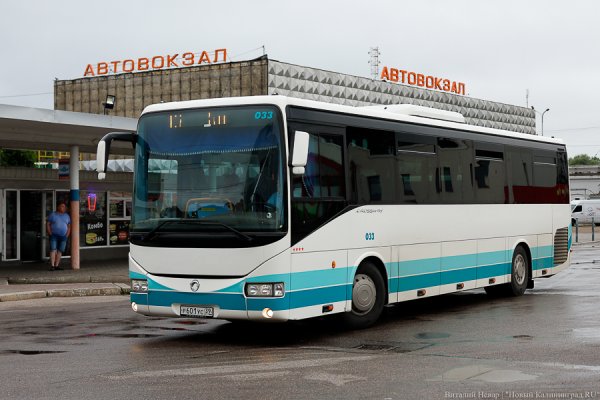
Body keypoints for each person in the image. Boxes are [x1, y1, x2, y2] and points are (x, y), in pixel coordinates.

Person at [46, 202, 71, 270]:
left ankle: (56, 265)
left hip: (63, 236)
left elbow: (69, 226)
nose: (64, 208)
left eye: (64, 206)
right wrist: (50, 233)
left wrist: (67, 235)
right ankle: (52, 266)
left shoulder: (67, 216)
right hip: (54, 235)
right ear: (58, 207)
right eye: (62, 206)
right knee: (53, 249)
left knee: (60, 250)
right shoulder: (53, 215)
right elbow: (48, 224)